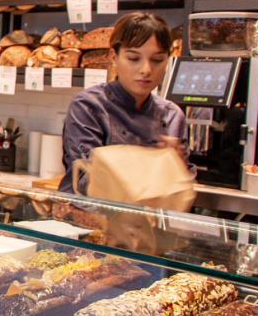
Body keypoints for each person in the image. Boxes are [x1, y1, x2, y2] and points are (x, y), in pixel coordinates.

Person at [58, 12, 195, 195]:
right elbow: (87, 181)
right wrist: (157, 166)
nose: (146, 70)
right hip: (87, 211)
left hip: (149, 213)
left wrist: (178, 169)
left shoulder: (172, 116)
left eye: (157, 60)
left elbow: (181, 188)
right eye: (133, 59)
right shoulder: (88, 106)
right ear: (114, 57)